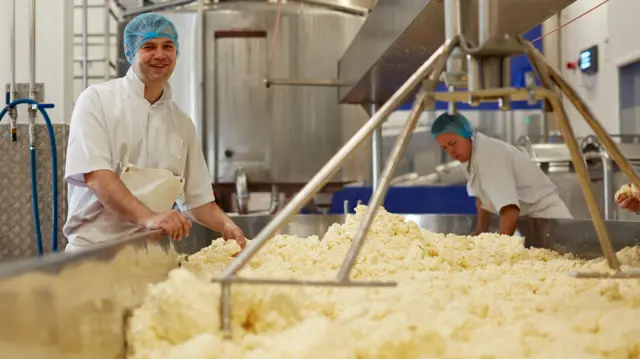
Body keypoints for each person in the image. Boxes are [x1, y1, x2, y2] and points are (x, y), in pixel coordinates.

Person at [63, 13, 246, 252]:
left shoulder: (182, 123)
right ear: (130, 53)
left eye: (167, 46)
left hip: (151, 256)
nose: (160, 54)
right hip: (95, 252)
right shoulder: (97, 100)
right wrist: (149, 217)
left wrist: (227, 226)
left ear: (176, 53)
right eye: (148, 46)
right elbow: (98, 178)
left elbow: (197, 200)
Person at [430, 112, 572, 236]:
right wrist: (481, 231)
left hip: (549, 219)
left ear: (466, 134)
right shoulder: (468, 157)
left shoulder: (489, 155)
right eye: (445, 147)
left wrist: (500, 250)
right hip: (530, 221)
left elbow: (510, 210)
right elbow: (482, 199)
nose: (451, 151)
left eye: (453, 143)